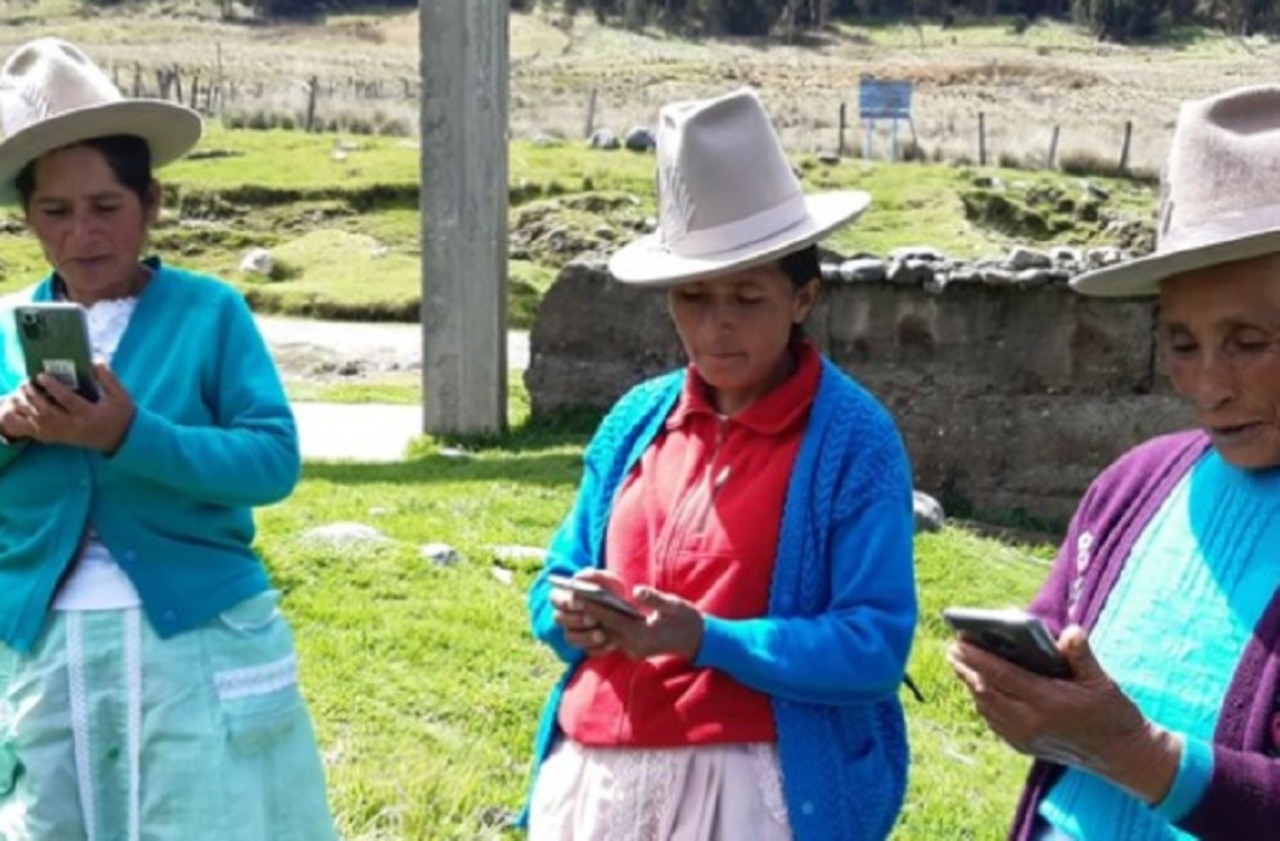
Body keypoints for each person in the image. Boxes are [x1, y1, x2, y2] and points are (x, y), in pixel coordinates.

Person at [521, 89, 919, 841]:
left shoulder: (852, 442)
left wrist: (708, 638)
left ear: (803, 297)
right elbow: (554, 579)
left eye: (747, 297)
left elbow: (873, 644)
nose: (716, 325)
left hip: (749, 794)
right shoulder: (634, 424)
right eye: (693, 296)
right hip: (597, 784)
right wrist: (570, 613)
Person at [0, 38, 335, 839]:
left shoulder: (210, 312)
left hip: (196, 639)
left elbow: (270, 460)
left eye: (106, 206)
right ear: (27, 217)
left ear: (150, 202)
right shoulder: (9, 325)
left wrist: (130, 434)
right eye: (55, 212)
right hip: (43, 645)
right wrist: (10, 427)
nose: (82, 232)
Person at [948, 84, 1280, 841]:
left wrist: (1142, 756)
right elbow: (1053, 631)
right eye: (1182, 343)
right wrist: (1021, 687)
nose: (1208, 385)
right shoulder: (1133, 486)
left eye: (1249, 342)